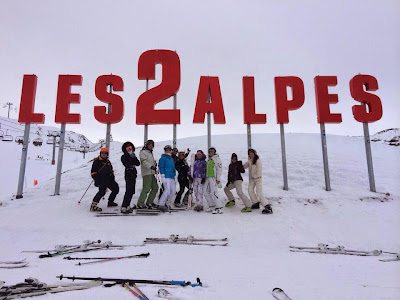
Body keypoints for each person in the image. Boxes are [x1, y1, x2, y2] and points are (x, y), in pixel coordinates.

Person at [243, 148, 273, 214]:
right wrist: (237, 166)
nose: (251, 155)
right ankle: (255, 203)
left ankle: (267, 206)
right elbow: (244, 166)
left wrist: (256, 175)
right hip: (252, 179)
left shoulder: (258, 161)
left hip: (258, 179)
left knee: (259, 193)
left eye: (252, 154)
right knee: (250, 190)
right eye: (249, 154)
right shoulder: (250, 161)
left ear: (254, 154)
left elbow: (259, 170)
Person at [90, 147, 119, 212]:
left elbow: (111, 170)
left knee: (116, 188)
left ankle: (110, 202)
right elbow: (93, 172)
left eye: (105, 153)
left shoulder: (108, 161)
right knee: (102, 192)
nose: (103, 154)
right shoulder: (97, 161)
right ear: (100, 153)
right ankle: (93, 206)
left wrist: (112, 178)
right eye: (102, 153)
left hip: (109, 180)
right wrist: (97, 180)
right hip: (101, 180)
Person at [137, 140, 159, 209]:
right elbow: (144, 162)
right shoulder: (143, 152)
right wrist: (151, 166)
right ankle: (140, 203)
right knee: (146, 188)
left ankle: (149, 202)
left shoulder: (150, 153)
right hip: (147, 173)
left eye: (152, 145)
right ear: (147, 145)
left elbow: (149, 162)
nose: (151, 146)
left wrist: (154, 166)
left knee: (155, 187)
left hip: (151, 173)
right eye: (149, 145)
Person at [120, 142, 140, 213]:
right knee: (128, 190)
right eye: (127, 148)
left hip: (133, 173)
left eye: (130, 147)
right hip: (128, 173)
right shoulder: (124, 156)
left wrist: (133, 157)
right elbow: (127, 164)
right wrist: (131, 158)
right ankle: (124, 206)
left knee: (132, 190)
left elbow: (138, 163)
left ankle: (127, 205)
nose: (129, 149)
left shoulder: (133, 155)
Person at [204, 146, 223, 214]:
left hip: (213, 178)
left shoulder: (217, 159)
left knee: (214, 192)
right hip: (207, 177)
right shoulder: (209, 159)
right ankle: (212, 205)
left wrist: (218, 178)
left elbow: (219, 169)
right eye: (210, 151)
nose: (211, 152)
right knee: (205, 191)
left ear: (214, 152)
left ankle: (219, 207)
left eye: (212, 151)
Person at [158, 145, 176, 212]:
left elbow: (173, 168)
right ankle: (161, 204)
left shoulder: (171, 159)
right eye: (166, 150)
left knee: (173, 191)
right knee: (167, 190)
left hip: (171, 176)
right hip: (166, 176)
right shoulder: (163, 158)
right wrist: (162, 175)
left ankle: (167, 202)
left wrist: (175, 176)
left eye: (169, 150)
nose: (167, 151)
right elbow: (161, 167)